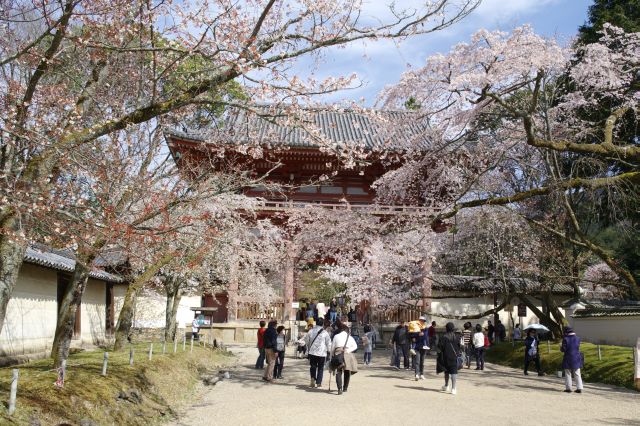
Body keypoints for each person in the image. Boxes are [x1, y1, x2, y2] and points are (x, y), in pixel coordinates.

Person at [330, 322, 358, 395]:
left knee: (338, 371)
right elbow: (355, 346)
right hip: (347, 354)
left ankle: (339, 389)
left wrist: (331, 356)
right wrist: (348, 350)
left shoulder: (336, 336)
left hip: (338, 353)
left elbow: (332, 348)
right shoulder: (350, 337)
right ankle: (345, 387)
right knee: (347, 371)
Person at [305, 318, 332, 388]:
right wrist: (330, 351)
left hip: (312, 352)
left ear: (315, 323)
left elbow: (307, 341)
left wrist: (308, 347)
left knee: (313, 367)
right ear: (322, 324)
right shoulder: (325, 333)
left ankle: (313, 379)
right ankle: (319, 382)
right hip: (322, 353)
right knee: (320, 368)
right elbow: (328, 343)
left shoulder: (310, 331)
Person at [437, 322, 461, 395]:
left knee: (446, 372)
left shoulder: (443, 337)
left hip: (445, 357)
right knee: (453, 373)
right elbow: (459, 347)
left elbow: (439, 348)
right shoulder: (456, 337)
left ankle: (446, 385)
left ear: (446, 328)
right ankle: (453, 388)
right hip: (454, 357)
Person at [561, 327, 583, 393]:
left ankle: (568, 388)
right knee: (577, 373)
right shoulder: (578, 338)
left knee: (568, 373)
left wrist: (561, 347)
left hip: (568, 357)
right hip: (576, 357)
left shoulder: (565, 339)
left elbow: (563, 349)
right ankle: (579, 388)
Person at [408, 315, 429, 380]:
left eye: (423, 321)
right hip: (417, 347)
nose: (422, 322)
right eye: (421, 321)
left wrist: (419, 335)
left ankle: (421, 374)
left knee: (422, 362)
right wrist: (417, 334)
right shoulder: (414, 327)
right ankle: (417, 374)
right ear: (418, 321)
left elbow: (425, 337)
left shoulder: (425, 328)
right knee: (417, 361)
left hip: (424, 347)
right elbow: (410, 335)